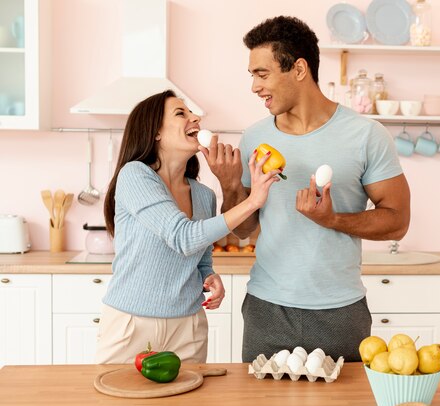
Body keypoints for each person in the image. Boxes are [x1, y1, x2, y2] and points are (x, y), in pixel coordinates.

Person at [202, 16, 411, 362]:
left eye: (262, 73)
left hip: (340, 311)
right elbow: (243, 228)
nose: (254, 87)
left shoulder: (366, 135)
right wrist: (228, 183)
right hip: (266, 308)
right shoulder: (255, 137)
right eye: (252, 75)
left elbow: (397, 221)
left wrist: (332, 219)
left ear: (299, 69)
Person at [95, 90, 279, 364]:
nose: (195, 117)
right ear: (155, 132)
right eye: (181, 113)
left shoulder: (203, 194)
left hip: (188, 327)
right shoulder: (135, 175)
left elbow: (199, 252)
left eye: (192, 113)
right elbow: (183, 237)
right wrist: (253, 201)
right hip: (131, 324)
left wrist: (208, 274)